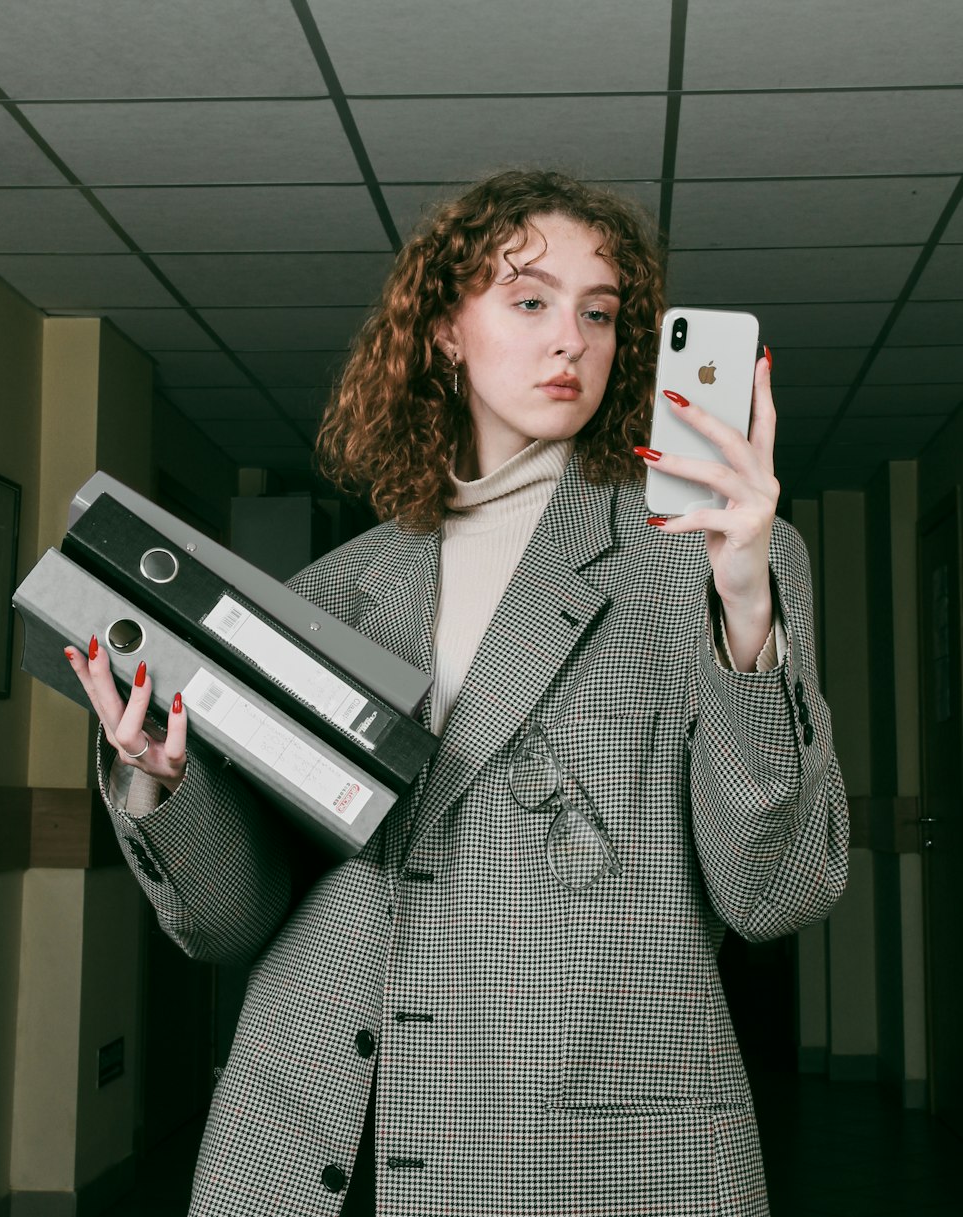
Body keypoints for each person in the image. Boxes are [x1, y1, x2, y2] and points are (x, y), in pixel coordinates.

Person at [67, 169, 849, 1217]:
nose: (568, 337)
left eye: (599, 311)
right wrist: (160, 781)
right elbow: (231, 917)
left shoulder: (701, 564)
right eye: (529, 300)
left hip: (582, 1147)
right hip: (314, 1135)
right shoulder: (333, 592)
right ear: (444, 330)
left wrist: (745, 598)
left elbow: (775, 891)